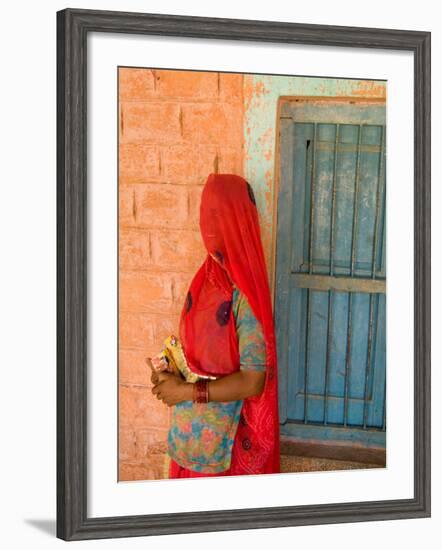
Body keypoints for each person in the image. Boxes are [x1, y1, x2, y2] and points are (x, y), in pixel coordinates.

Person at [150, 173, 280, 477]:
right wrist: (170, 371)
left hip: (226, 447)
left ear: (237, 219)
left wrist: (186, 392)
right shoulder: (207, 277)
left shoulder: (245, 293)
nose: (207, 222)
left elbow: (253, 381)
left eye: (216, 214)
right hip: (191, 437)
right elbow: (199, 351)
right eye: (204, 212)